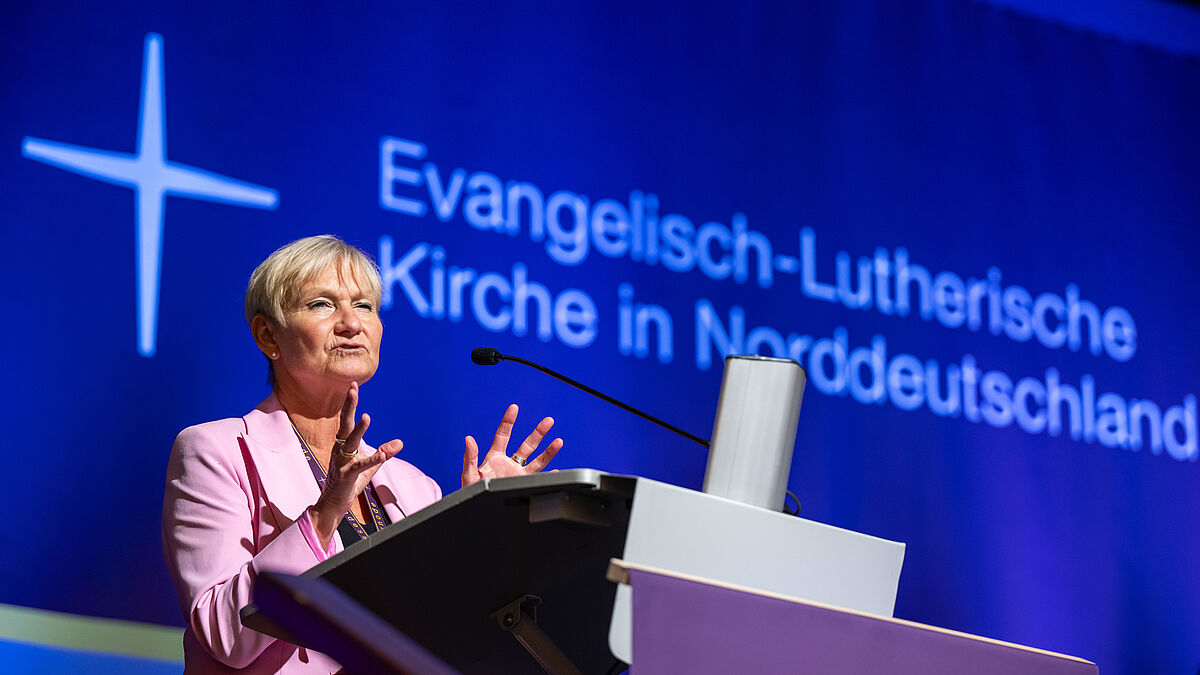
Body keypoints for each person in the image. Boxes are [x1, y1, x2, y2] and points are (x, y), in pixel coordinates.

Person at [162, 235, 563, 674]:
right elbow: (225, 635)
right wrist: (323, 514)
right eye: (321, 304)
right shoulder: (216, 452)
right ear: (267, 334)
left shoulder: (412, 488)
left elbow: (453, 640)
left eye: (365, 306)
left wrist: (478, 527)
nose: (351, 323)